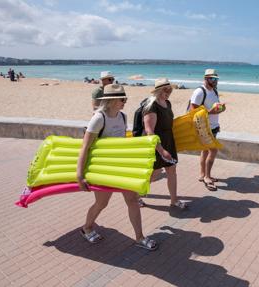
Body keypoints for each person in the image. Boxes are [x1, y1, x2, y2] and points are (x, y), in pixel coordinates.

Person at [77, 84, 158, 250]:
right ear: (113, 100)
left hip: (120, 168)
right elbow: (85, 146)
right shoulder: (99, 118)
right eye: (123, 99)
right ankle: (86, 228)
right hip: (102, 170)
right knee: (101, 203)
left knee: (133, 200)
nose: (125, 102)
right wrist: (80, 174)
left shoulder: (122, 116)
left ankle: (140, 237)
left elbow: (121, 143)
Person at [142, 78, 187, 209]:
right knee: (154, 173)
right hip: (157, 143)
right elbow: (149, 131)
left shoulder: (167, 103)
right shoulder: (151, 106)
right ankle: (137, 195)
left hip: (168, 140)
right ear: (158, 91)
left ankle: (174, 200)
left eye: (170, 89)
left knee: (172, 170)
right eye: (165, 90)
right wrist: (161, 150)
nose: (168, 92)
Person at [189, 69, 226, 191]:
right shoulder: (199, 92)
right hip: (204, 127)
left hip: (214, 126)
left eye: (216, 79)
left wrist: (221, 109)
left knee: (205, 151)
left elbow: (215, 106)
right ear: (205, 78)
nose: (215, 81)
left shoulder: (214, 90)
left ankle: (202, 174)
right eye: (212, 79)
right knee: (213, 151)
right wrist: (210, 112)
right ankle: (207, 176)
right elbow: (193, 112)